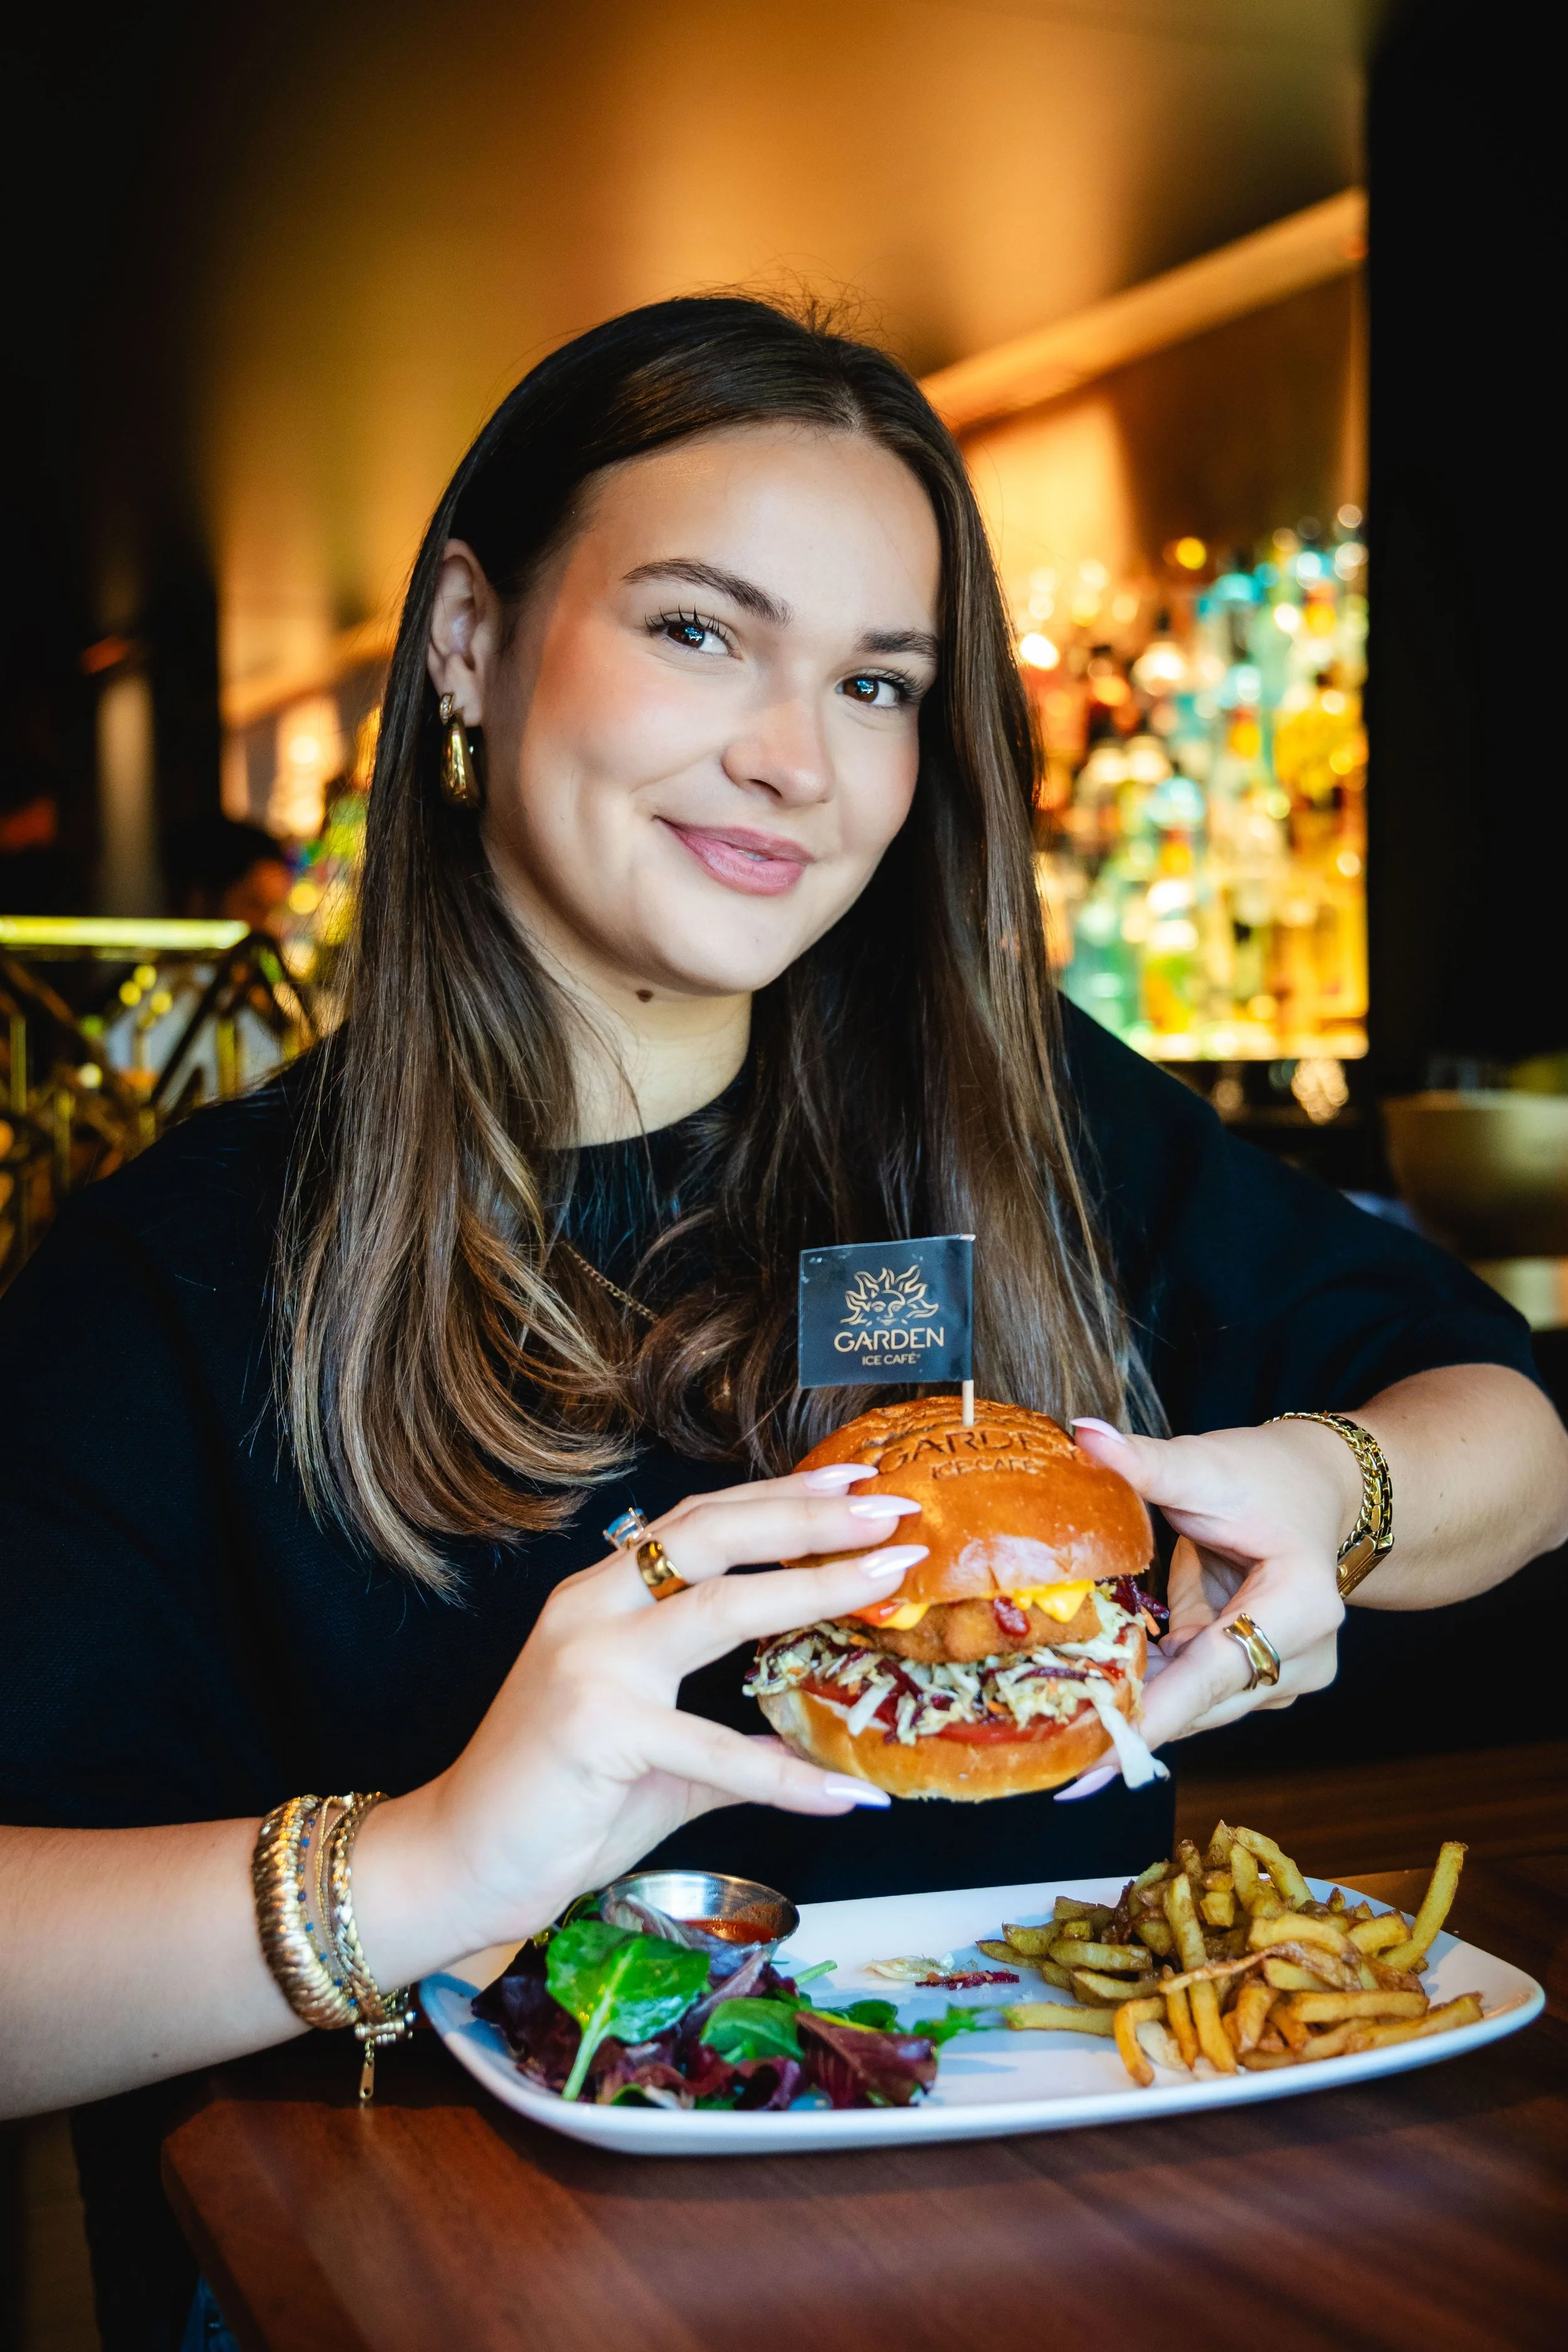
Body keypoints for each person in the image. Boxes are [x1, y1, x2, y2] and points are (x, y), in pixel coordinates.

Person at [1, 297, 1564, 2346]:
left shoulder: (1014, 1106)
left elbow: (1518, 1436)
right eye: (697, 630)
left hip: (1078, 2223)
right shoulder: (175, 1275)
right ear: (468, 638)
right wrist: (441, 1856)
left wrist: (1322, 1491)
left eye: (878, 678)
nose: (794, 757)